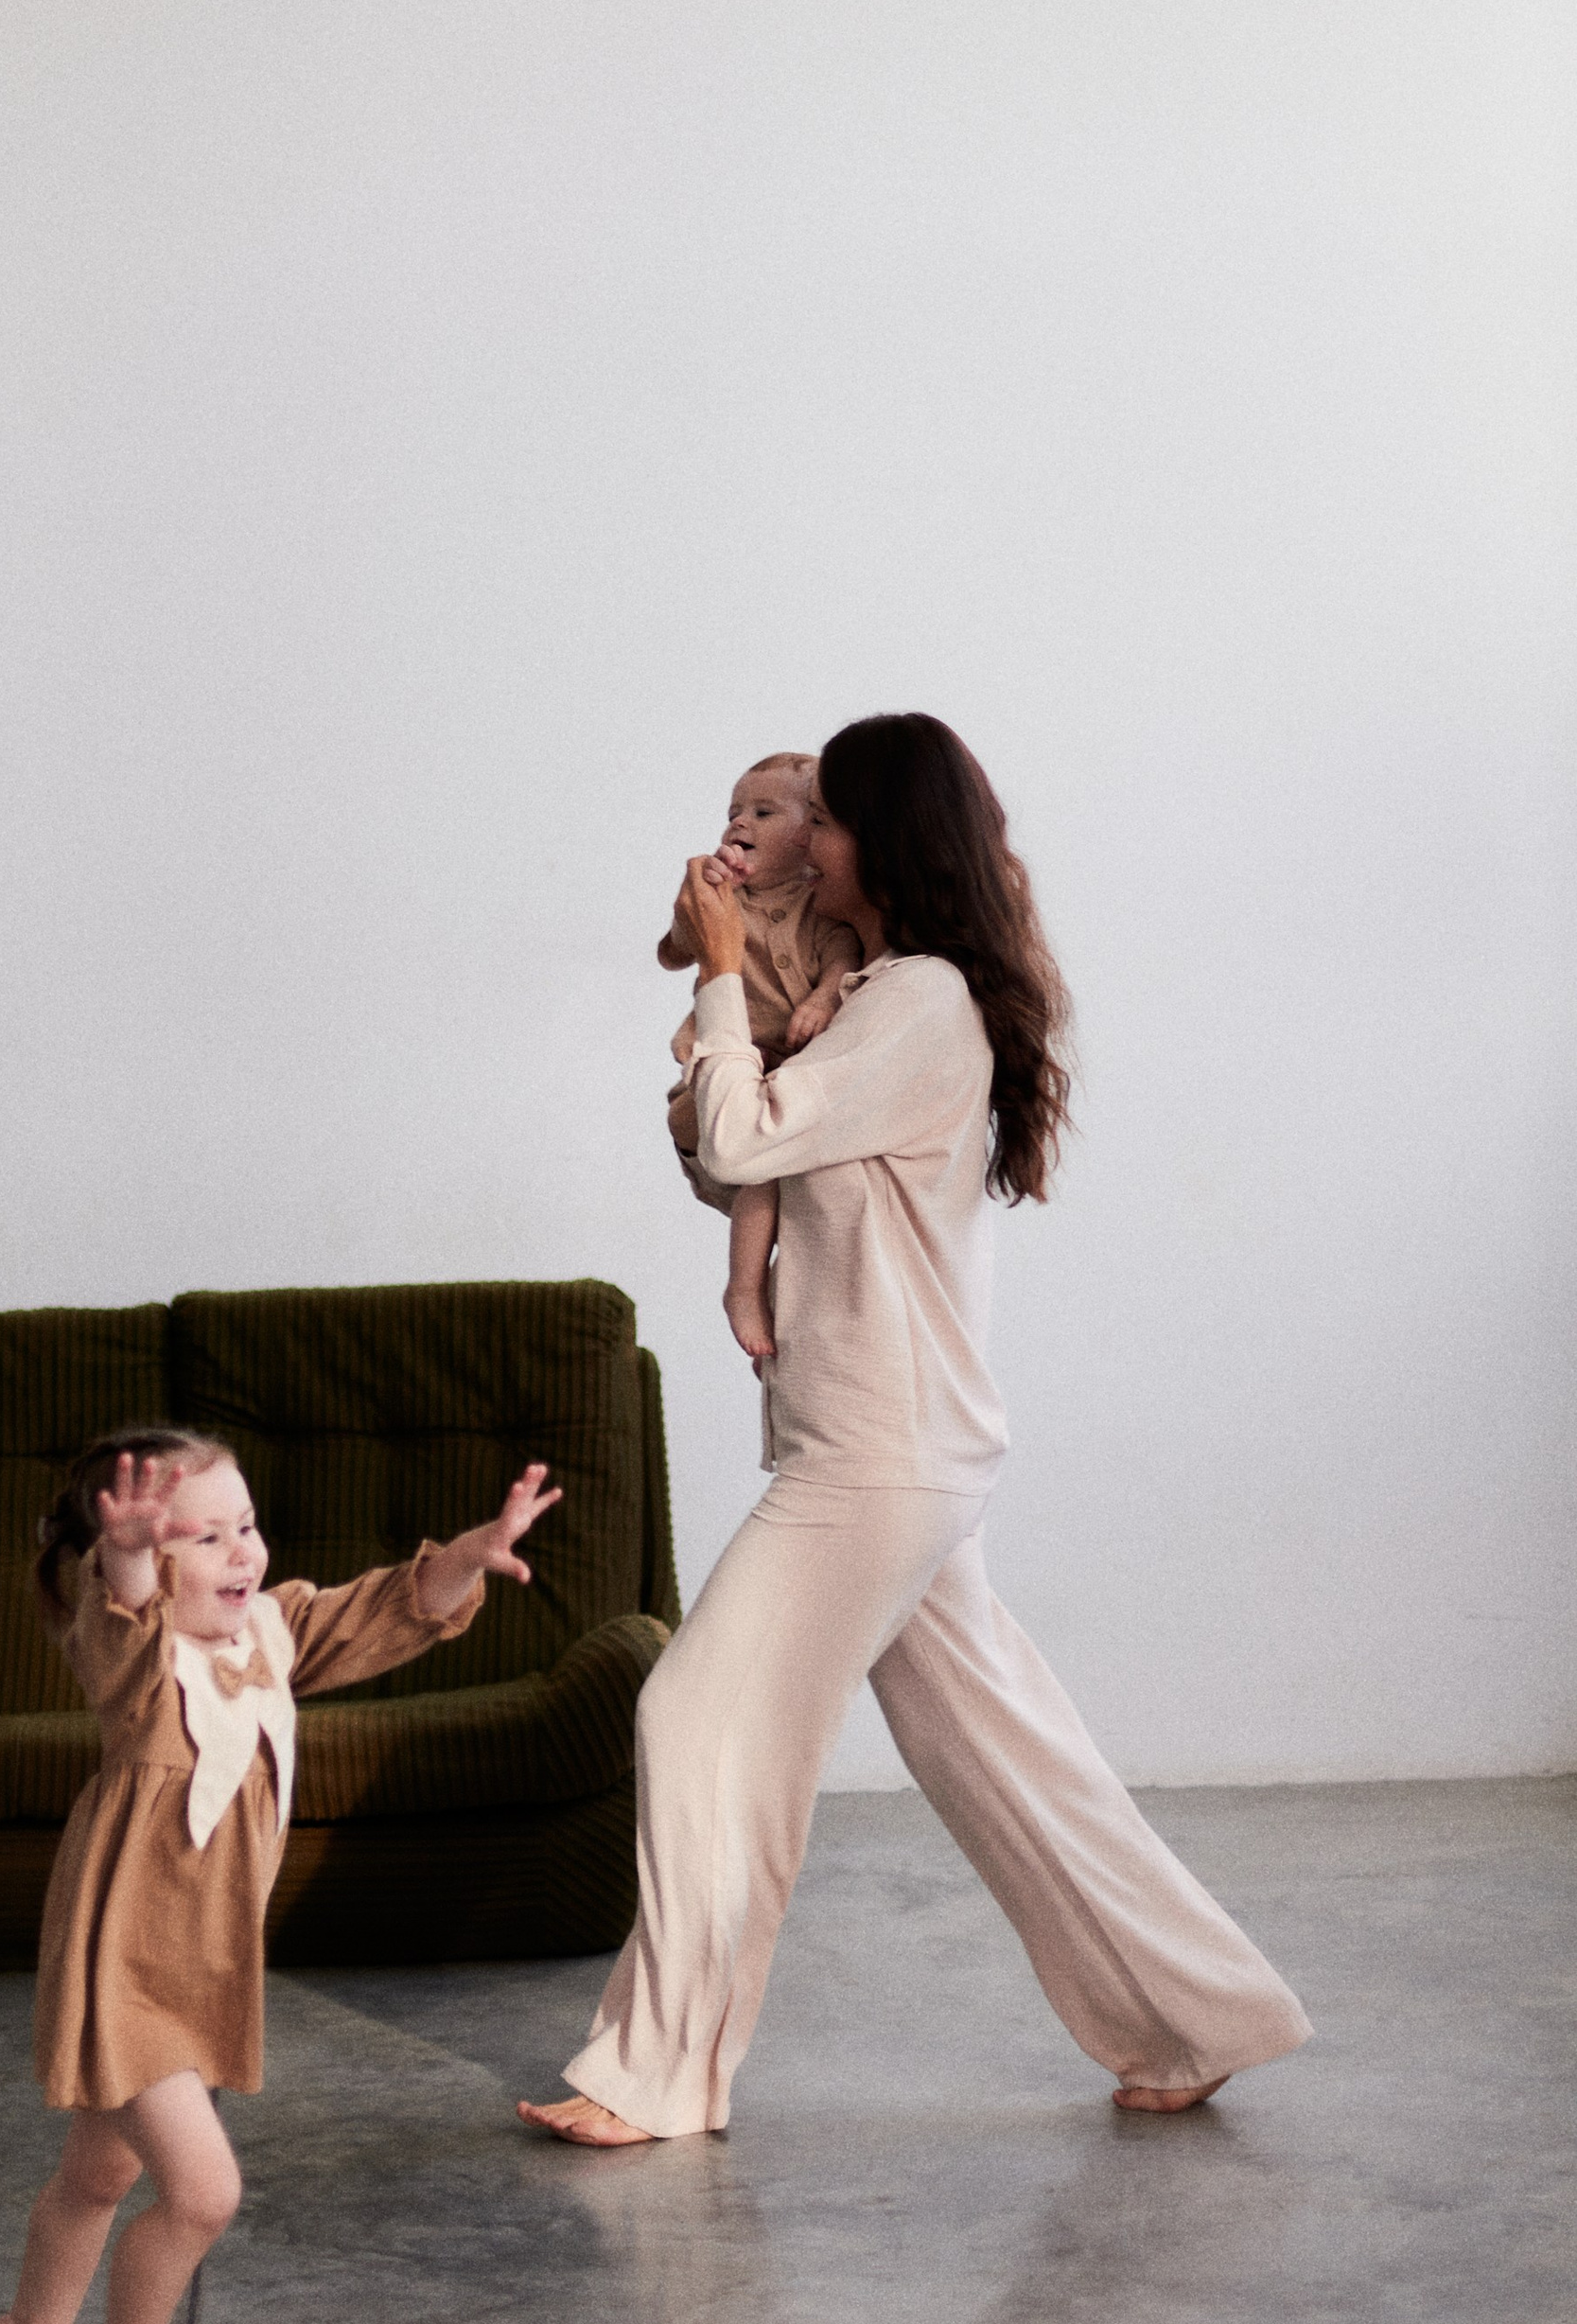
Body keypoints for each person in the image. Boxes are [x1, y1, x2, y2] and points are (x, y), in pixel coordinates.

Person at [520, 713, 1310, 2147]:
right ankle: (1197, 2016)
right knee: (1006, 1756)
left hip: (876, 1453)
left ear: (883, 838)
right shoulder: (869, 995)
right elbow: (737, 1164)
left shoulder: (922, 1002)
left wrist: (713, 988)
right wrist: (728, 1035)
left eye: (824, 819)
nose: (799, 840)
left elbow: (747, 1140)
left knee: (696, 1712)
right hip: (886, 1439)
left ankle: (658, 2075)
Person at [0, 1429, 559, 2324]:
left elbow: (392, 1606)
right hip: (127, 1971)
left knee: (98, 2172)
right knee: (203, 2195)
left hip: (202, 1966)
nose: (242, 1553)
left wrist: (471, 1555)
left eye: (247, 1527)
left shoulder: (271, 1630)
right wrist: (129, 1558)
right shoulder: (136, 1674)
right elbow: (124, 1620)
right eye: (203, 1539)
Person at [659, 750, 862, 1360]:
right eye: (734, 812)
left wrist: (825, 998)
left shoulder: (819, 908)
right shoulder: (725, 900)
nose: (738, 824)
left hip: (785, 1072)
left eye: (765, 811)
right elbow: (671, 954)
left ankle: (752, 1287)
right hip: (730, 1067)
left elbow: (841, 959)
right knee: (758, 1174)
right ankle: (743, 1288)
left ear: (813, 839)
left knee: (770, 1171)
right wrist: (691, 911)